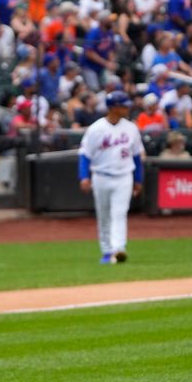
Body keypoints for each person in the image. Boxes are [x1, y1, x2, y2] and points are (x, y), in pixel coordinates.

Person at [78, 91, 144, 264]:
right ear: (114, 107)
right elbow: (85, 155)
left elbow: (136, 156)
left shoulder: (131, 128)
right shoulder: (96, 129)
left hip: (124, 176)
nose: (127, 108)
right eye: (123, 105)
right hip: (101, 176)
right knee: (104, 215)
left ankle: (118, 249)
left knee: (119, 213)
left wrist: (138, 179)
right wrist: (84, 177)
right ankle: (107, 251)